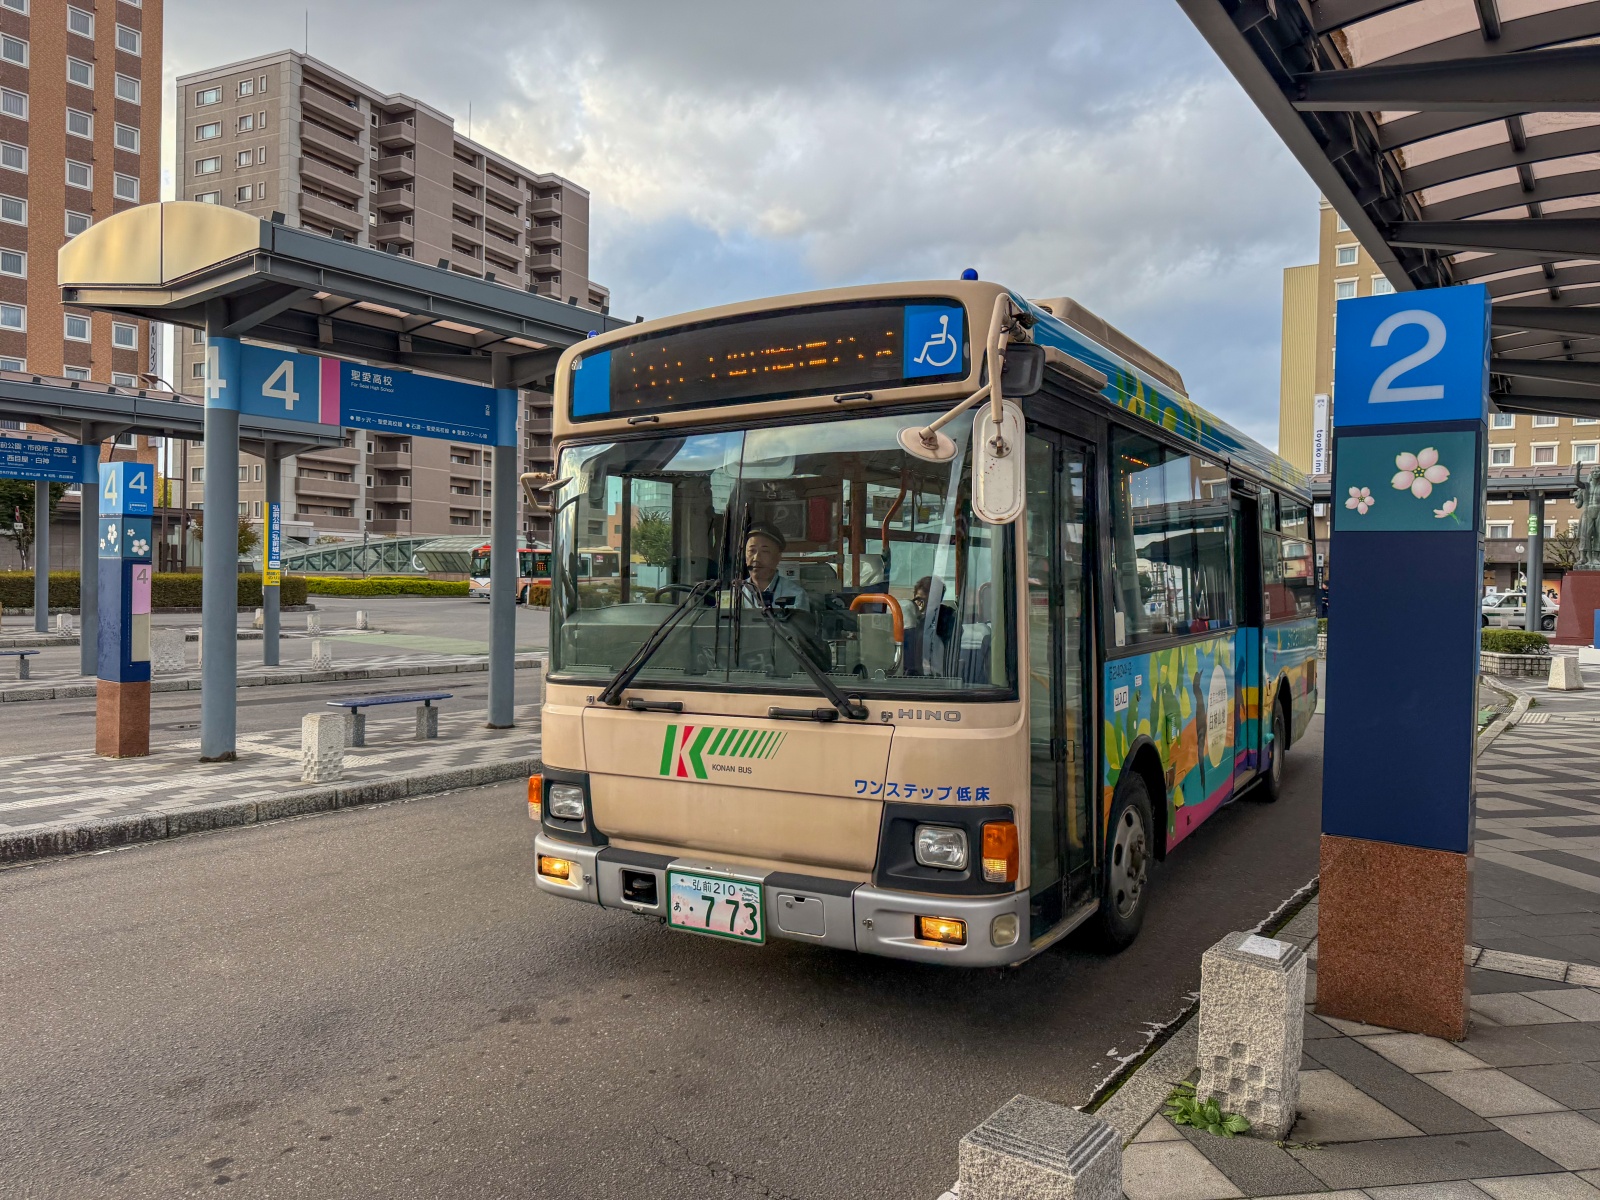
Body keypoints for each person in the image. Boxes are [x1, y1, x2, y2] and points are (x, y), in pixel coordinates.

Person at [742, 524, 810, 611]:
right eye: (751, 551)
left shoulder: (795, 594)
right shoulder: (735, 594)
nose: (756, 558)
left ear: (778, 557)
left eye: (765, 551)